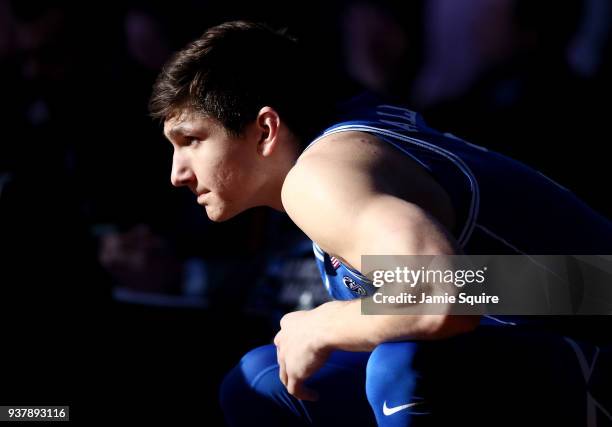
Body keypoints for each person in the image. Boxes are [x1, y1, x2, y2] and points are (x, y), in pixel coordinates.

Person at [149, 21, 612, 426]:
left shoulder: (321, 175)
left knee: (404, 363)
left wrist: (329, 323)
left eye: (190, 140)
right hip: (575, 312)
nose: (177, 173)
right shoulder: (347, 136)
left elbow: (442, 294)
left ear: (266, 130)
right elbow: (520, 284)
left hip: (593, 340)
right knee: (262, 381)